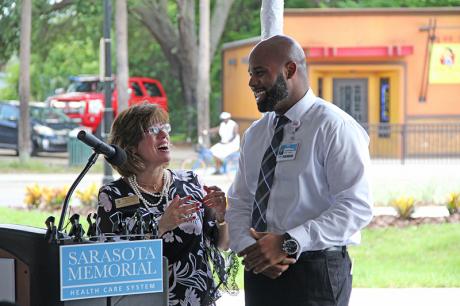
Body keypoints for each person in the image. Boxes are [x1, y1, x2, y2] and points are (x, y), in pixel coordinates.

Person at [226, 35, 373, 306]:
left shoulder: (334, 127)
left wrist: (287, 242)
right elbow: (240, 200)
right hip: (260, 269)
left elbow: (356, 206)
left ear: (290, 70)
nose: (251, 82)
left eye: (259, 73)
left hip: (315, 271)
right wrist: (249, 247)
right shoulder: (256, 134)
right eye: (250, 74)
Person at [96, 103, 234, 306]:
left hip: (196, 299)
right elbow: (110, 263)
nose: (164, 135)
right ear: (131, 145)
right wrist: (161, 226)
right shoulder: (113, 195)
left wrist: (222, 217)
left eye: (165, 128)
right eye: (153, 130)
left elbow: (222, 245)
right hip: (145, 301)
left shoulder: (190, 182)